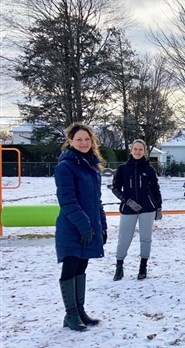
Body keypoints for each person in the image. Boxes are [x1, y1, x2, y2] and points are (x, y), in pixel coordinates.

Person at [54, 123, 108, 331]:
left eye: (87, 139)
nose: (83, 143)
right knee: (71, 265)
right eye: (79, 139)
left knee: (82, 266)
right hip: (71, 226)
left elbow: (96, 200)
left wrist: (101, 226)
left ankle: (80, 310)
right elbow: (66, 199)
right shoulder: (65, 166)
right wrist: (83, 225)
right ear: (70, 142)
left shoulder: (91, 166)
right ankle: (71, 314)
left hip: (89, 226)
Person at [110, 139, 163, 281]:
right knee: (124, 238)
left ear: (144, 151)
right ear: (131, 150)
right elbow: (115, 188)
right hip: (129, 208)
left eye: (140, 149)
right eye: (135, 149)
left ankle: (143, 266)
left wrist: (158, 207)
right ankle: (119, 266)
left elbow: (155, 189)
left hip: (147, 208)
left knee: (146, 238)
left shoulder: (149, 169)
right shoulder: (122, 169)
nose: (138, 152)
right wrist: (127, 200)